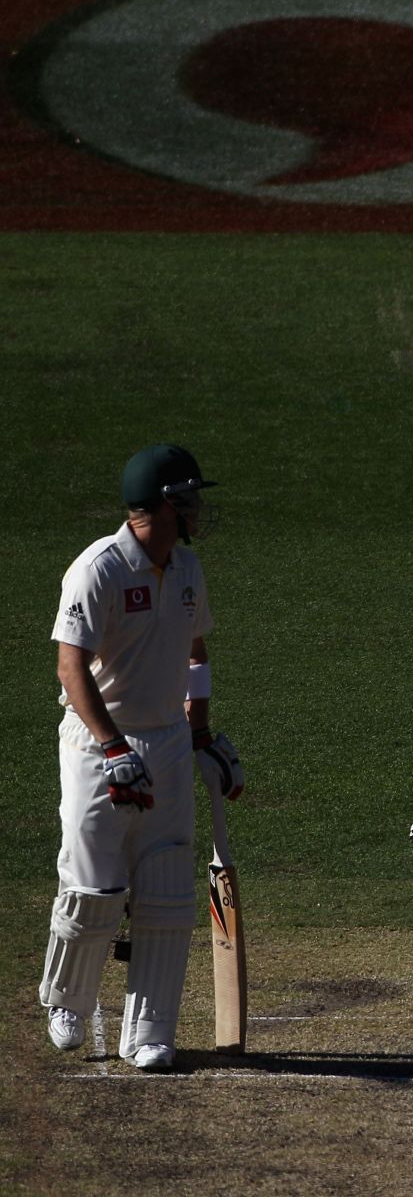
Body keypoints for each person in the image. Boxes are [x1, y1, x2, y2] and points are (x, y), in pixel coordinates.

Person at [42, 444, 245, 1072]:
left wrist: (202, 731)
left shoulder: (185, 568)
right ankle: (66, 1001)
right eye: (187, 500)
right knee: (95, 890)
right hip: (98, 742)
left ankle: (150, 1030)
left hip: (168, 743)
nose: (195, 512)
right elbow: (70, 665)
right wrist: (111, 746)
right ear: (160, 505)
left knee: (164, 891)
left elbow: (196, 651)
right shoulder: (98, 569)